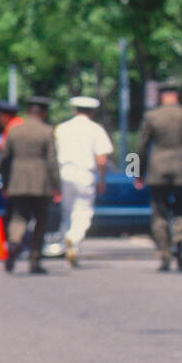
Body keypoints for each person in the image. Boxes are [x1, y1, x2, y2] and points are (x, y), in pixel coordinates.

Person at [0, 96, 61, 273]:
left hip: (17, 181)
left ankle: (14, 243)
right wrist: (57, 186)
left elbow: (4, 159)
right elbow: (52, 160)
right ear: (44, 112)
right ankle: (35, 259)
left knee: (19, 216)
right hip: (41, 182)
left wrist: (5, 182)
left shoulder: (14, 130)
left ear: (27, 112)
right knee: (40, 220)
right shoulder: (47, 131)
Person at [54, 97, 113, 267]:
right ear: (92, 112)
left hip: (65, 172)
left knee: (67, 211)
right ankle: (73, 238)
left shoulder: (62, 128)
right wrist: (102, 179)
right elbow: (101, 159)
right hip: (85, 173)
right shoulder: (96, 129)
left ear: (75, 110)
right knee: (84, 211)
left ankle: (70, 246)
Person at [135, 78, 182, 272]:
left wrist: (136, 173)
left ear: (161, 96)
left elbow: (139, 147)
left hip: (158, 170)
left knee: (159, 213)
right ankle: (180, 237)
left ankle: (164, 254)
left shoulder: (151, 116)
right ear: (177, 95)